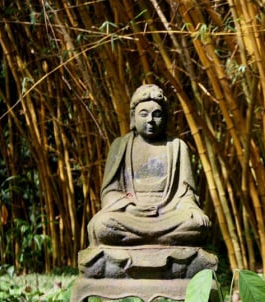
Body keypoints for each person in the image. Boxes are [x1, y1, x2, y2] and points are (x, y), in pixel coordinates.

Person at [87, 84, 210, 247]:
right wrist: (129, 208)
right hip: (130, 215)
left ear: (165, 118)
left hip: (168, 214)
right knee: (102, 225)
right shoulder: (120, 146)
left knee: (196, 225)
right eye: (143, 114)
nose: (150, 120)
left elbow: (185, 193)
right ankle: (159, 242)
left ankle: (144, 242)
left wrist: (192, 209)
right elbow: (110, 191)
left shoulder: (177, 147)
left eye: (157, 115)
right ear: (133, 117)